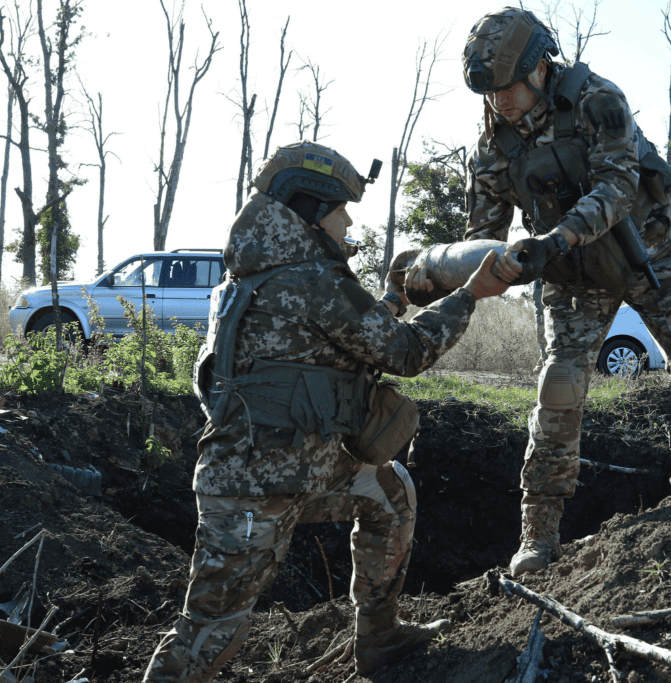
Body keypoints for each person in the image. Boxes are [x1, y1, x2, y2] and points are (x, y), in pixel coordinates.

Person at [141, 141, 509, 683]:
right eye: (341, 210)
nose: (347, 222)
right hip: (252, 492)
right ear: (312, 211)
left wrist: (393, 297)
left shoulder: (260, 277)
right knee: (210, 635)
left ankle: (379, 641)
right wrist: (470, 294)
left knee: (391, 492)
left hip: (299, 471)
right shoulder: (311, 280)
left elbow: (345, 337)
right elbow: (404, 352)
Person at [458, 7, 671, 577]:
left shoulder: (597, 100)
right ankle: (538, 535)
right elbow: (480, 238)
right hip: (573, 275)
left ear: (538, 68)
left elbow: (616, 186)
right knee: (559, 387)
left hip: (649, 251)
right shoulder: (492, 147)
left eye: (508, 88)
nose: (500, 102)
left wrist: (554, 237)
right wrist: (475, 269)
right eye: (490, 93)